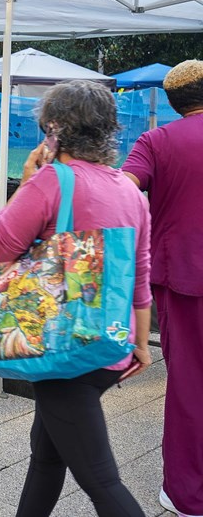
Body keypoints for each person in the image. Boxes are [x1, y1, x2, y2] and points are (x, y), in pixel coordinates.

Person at [0, 80, 150, 517]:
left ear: (55, 130)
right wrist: (141, 343)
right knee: (47, 456)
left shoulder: (51, 182)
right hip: (109, 342)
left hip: (60, 347)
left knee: (103, 481)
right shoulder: (130, 190)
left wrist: (27, 181)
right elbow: (140, 275)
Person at [122, 59, 203, 517]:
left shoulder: (156, 140)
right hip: (183, 274)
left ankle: (188, 495)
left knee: (190, 385)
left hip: (183, 277)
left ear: (174, 103)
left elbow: (125, 188)